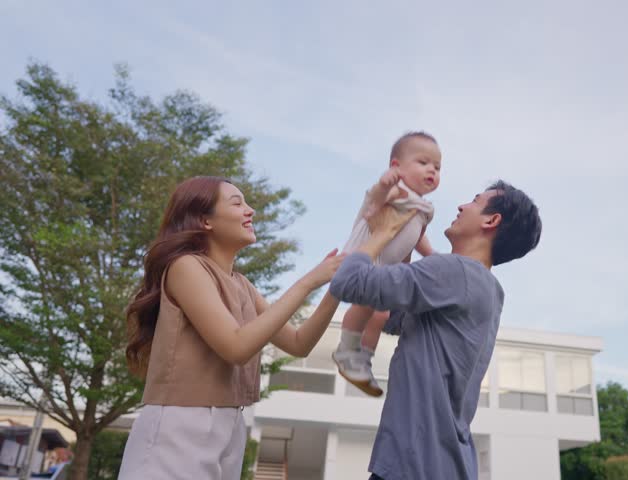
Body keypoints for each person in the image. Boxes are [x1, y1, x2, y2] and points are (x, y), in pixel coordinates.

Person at [119, 176, 344, 479]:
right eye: (237, 203)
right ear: (205, 220)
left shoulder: (243, 285)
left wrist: (337, 288)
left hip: (231, 423)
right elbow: (235, 346)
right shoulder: (186, 266)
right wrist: (309, 281)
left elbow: (298, 343)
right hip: (180, 422)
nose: (250, 211)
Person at [329, 180, 542, 479]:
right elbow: (395, 319)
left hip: (413, 464)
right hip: (437, 463)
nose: (461, 205)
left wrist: (382, 231)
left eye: (475, 201)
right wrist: (404, 244)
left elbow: (347, 283)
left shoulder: (455, 271)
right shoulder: (486, 288)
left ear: (491, 221)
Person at [332, 131, 441, 396]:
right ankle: (346, 350)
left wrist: (432, 257)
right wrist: (384, 184)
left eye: (437, 167)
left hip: (387, 267)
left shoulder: (425, 208)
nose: (432, 170)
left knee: (380, 314)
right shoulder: (395, 190)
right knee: (367, 305)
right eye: (423, 162)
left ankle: (362, 361)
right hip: (365, 257)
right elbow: (375, 200)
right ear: (396, 167)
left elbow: (417, 237)